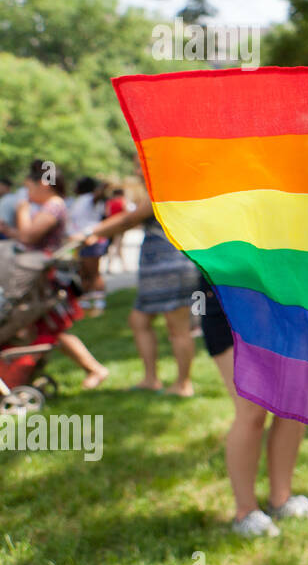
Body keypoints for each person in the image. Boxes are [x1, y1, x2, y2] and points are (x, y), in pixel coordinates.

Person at [197, 276, 308, 537]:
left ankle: (281, 499)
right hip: (227, 299)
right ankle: (245, 513)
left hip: (284, 300)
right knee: (251, 410)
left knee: (293, 405)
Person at [84, 190, 202, 395]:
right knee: (139, 320)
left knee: (177, 328)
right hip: (159, 267)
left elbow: (130, 219)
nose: (138, 169)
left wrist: (92, 232)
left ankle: (183, 385)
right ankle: (150, 379)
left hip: (172, 265)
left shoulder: (164, 185)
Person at [7, 160, 110, 388]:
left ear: (44, 184)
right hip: (37, 278)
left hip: (44, 280)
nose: (27, 194)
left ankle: (94, 369)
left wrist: (22, 212)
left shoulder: (53, 205)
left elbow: (28, 237)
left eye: (29, 188)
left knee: (49, 329)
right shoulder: (52, 205)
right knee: (46, 330)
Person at [68, 176, 109, 316]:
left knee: (93, 273)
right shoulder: (79, 200)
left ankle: (99, 303)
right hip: (79, 241)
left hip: (91, 239)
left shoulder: (90, 198)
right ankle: (85, 303)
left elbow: (98, 195)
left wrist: (104, 185)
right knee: (83, 273)